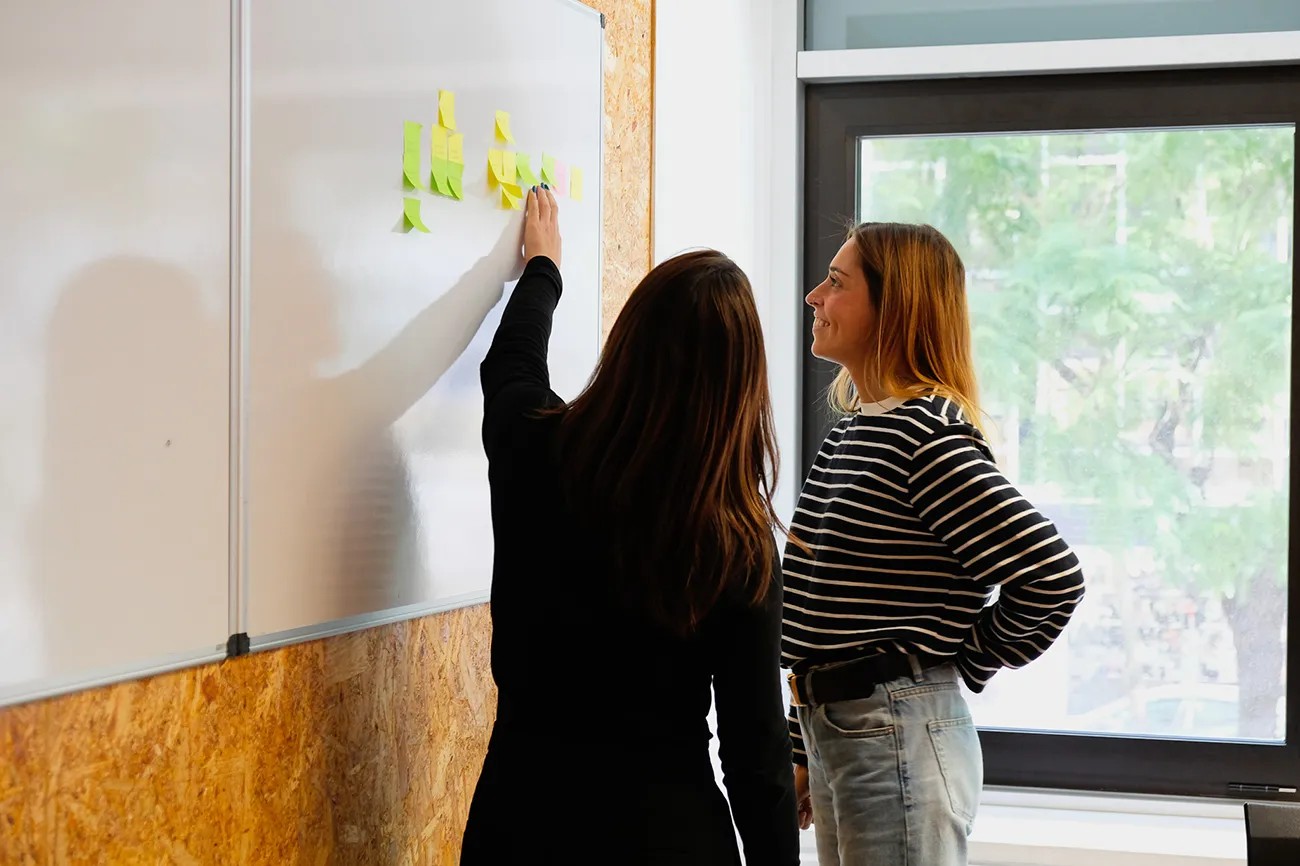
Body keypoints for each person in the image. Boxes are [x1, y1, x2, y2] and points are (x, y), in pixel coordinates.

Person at [460, 186, 799, 866]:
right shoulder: (734, 540)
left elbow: (510, 365)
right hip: (665, 832)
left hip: (520, 820)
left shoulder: (537, 449)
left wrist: (543, 270)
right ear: (739, 384)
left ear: (629, 340)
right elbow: (756, 755)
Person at [782, 222, 1087, 865]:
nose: (814, 296)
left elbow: (1053, 576)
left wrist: (960, 660)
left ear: (893, 308)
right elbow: (824, 618)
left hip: (892, 730)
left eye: (836, 284)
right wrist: (801, 746)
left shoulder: (929, 441)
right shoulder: (851, 436)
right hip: (845, 732)